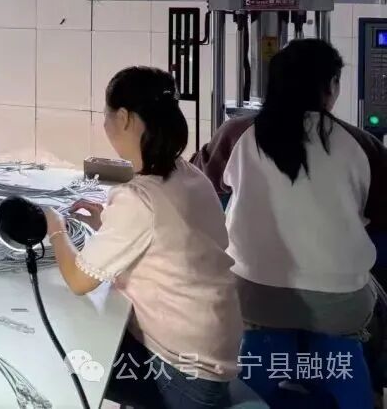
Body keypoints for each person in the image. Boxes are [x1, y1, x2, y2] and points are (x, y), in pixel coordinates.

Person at [45, 66, 243, 409]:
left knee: (63, 341)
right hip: (214, 352)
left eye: (106, 115)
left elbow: (78, 280)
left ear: (123, 118)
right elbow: (171, 237)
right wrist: (108, 223)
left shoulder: (138, 199)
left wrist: (55, 227)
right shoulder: (189, 174)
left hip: (182, 377)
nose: (105, 123)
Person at [194, 39, 387, 339]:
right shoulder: (363, 145)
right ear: (331, 85)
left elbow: (197, 182)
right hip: (339, 307)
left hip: (252, 298)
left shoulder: (236, 134)